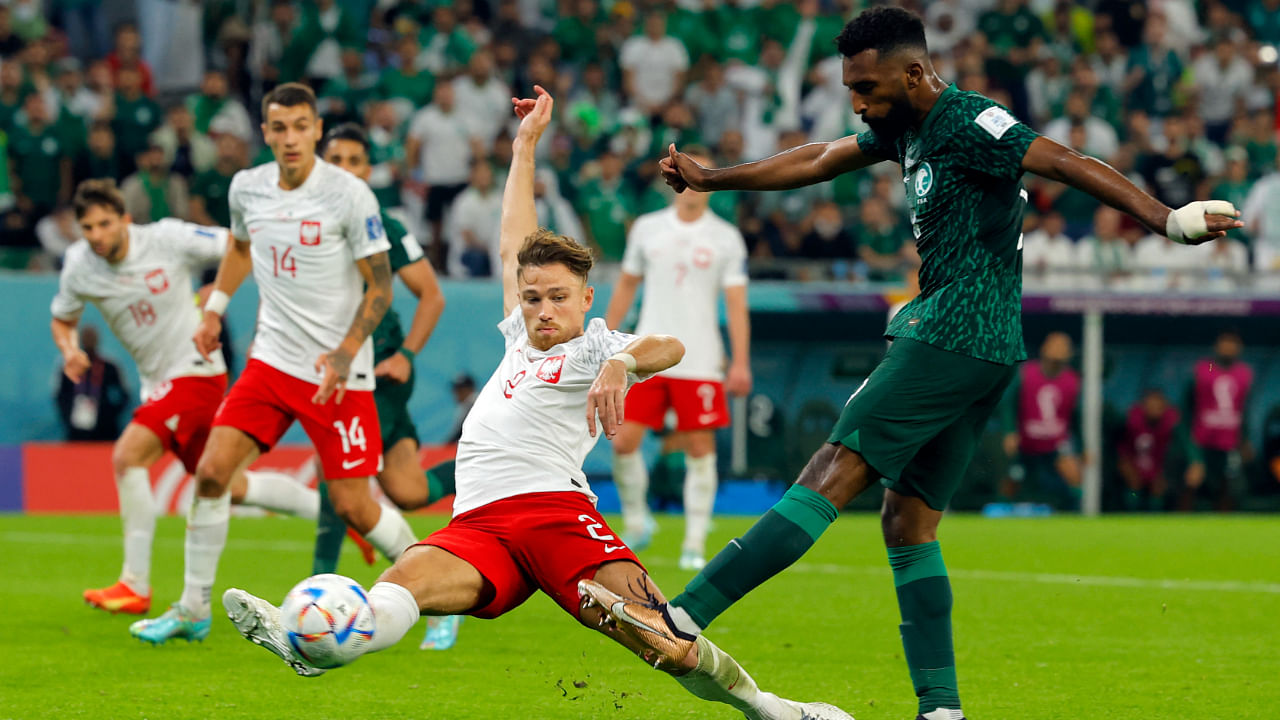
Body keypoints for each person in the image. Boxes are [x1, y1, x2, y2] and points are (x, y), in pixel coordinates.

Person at [591, 9, 1243, 720]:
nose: (858, 102)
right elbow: (819, 158)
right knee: (907, 524)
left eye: (866, 87)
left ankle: (680, 617)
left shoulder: (968, 119)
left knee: (830, 472)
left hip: (952, 331)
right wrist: (713, 179)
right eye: (851, 88)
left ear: (912, 72)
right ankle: (942, 710)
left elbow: (1060, 159)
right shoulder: (902, 125)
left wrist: (1165, 218)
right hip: (981, 345)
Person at [221, 87, 852, 720]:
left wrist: (620, 361)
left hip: (553, 515)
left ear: (585, 297)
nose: (542, 310)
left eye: (556, 297)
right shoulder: (519, 336)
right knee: (397, 587)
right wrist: (525, 146)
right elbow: (512, 239)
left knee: (668, 644)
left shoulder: (595, 343)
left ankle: (773, 710)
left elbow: (673, 345)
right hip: (478, 524)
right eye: (531, 298)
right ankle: (315, 644)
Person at [126, 83, 418, 645]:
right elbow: (239, 249)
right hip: (271, 361)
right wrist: (212, 309)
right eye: (279, 128)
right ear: (265, 132)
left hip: (338, 373)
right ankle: (192, 610)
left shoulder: (349, 195)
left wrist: (348, 348)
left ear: (316, 130)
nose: (289, 138)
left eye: (300, 127)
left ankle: (426, 572)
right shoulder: (247, 187)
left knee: (353, 503)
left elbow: (381, 286)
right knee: (211, 473)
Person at [50, 179, 320, 617]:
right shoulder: (80, 264)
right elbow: (63, 319)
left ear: (125, 219)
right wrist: (70, 350)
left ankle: (134, 583)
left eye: (104, 223)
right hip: (158, 384)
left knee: (128, 456)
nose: (97, 235)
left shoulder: (168, 239)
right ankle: (338, 512)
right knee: (230, 487)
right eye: (87, 228)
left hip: (197, 372)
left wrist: (219, 293)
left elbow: (240, 244)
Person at [310, 122, 458, 650]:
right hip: (330, 362)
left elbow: (432, 295)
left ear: (368, 171)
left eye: (355, 160)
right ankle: (475, 467)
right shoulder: (309, 224)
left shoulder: (386, 227)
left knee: (337, 477)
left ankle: (315, 589)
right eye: (337, 159)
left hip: (378, 369)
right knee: (407, 491)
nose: (346, 169)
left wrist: (408, 355)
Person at [604, 145, 752, 570]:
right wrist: (605, 341)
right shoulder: (648, 229)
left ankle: (693, 542)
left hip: (701, 358)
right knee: (624, 439)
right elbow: (627, 288)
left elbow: (737, 304)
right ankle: (636, 520)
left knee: (700, 446)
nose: (691, 186)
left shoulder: (726, 237)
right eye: (685, 176)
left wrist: (739, 359)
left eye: (701, 175)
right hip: (647, 355)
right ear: (673, 180)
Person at [1001, 332, 1082, 510]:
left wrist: (1082, 448)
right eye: (1055, 345)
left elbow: (1076, 416)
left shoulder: (1072, 380)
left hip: (1056, 442)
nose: (1058, 351)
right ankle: (1003, 512)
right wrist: (1009, 432)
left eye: (1063, 347)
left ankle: (1077, 516)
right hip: (1026, 441)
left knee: (1074, 474)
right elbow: (1009, 404)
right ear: (1044, 349)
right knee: (1014, 477)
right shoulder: (1026, 373)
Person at [1183, 331, 1253, 511]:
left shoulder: (1243, 373)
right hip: (1202, 441)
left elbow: (1244, 410)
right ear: (1216, 346)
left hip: (1230, 443)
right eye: (1224, 343)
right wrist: (1192, 453)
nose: (1228, 347)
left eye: (1233, 343)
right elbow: (1187, 409)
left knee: (1231, 489)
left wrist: (1245, 439)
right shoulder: (1207, 368)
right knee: (1192, 485)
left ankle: (1226, 532)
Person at [1117, 388, 1202, 512]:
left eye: (1158, 404)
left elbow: (1186, 446)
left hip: (1163, 471)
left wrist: (1195, 463)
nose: (1154, 408)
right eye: (1151, 404)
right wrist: (1128, 469)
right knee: (1132, 492)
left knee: (1160, 492)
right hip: (1136, 468)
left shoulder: (1173, 423)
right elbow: (1123, 452)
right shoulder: (1131, 422)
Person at [54, 324, 127, 441]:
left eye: (91, 337)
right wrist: (68, 415)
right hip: (76, 428)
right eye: (86, 337)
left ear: (97, 339)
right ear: (80, 339)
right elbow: (60, 395)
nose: (89, 341)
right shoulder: (69, 367)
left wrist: (110, 414)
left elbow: (124, 394)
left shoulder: (109, 367)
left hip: (105, 430)